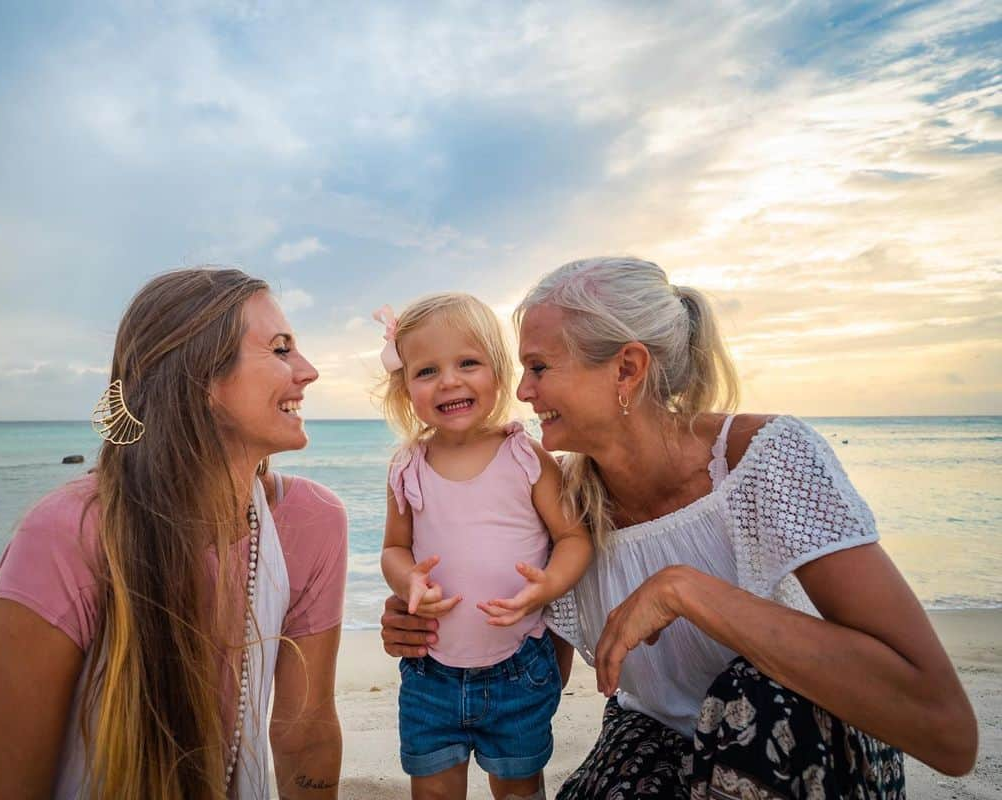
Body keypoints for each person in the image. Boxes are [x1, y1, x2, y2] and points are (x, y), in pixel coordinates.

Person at [381, 257, 979, 799]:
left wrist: (683, 591)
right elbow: (529, 637)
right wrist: (425, 625)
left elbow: (948, 733)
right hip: (658, 734)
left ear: (628, 368)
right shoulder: (563, 498)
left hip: (802, 733)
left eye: (539, 367)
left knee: (759, 700)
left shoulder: (762, 457)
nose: (521, 391)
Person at [0, 268, 347, 799]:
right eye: (281, 349)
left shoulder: (312, 521)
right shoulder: (65, 534)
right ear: (201, 382)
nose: (308, 372)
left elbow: (305, 733)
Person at [373, 293, 593, 800]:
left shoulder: (524, 455)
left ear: (497, 372)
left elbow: (573, 537)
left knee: (519, 789)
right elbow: (393, 549)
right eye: (427, 371)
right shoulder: (407, 467)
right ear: (405, 389)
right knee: (432, 791)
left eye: (467, 363)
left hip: (518, 666)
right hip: (431, 669)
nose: (449, 381)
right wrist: (408, 579)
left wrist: (548, 586)